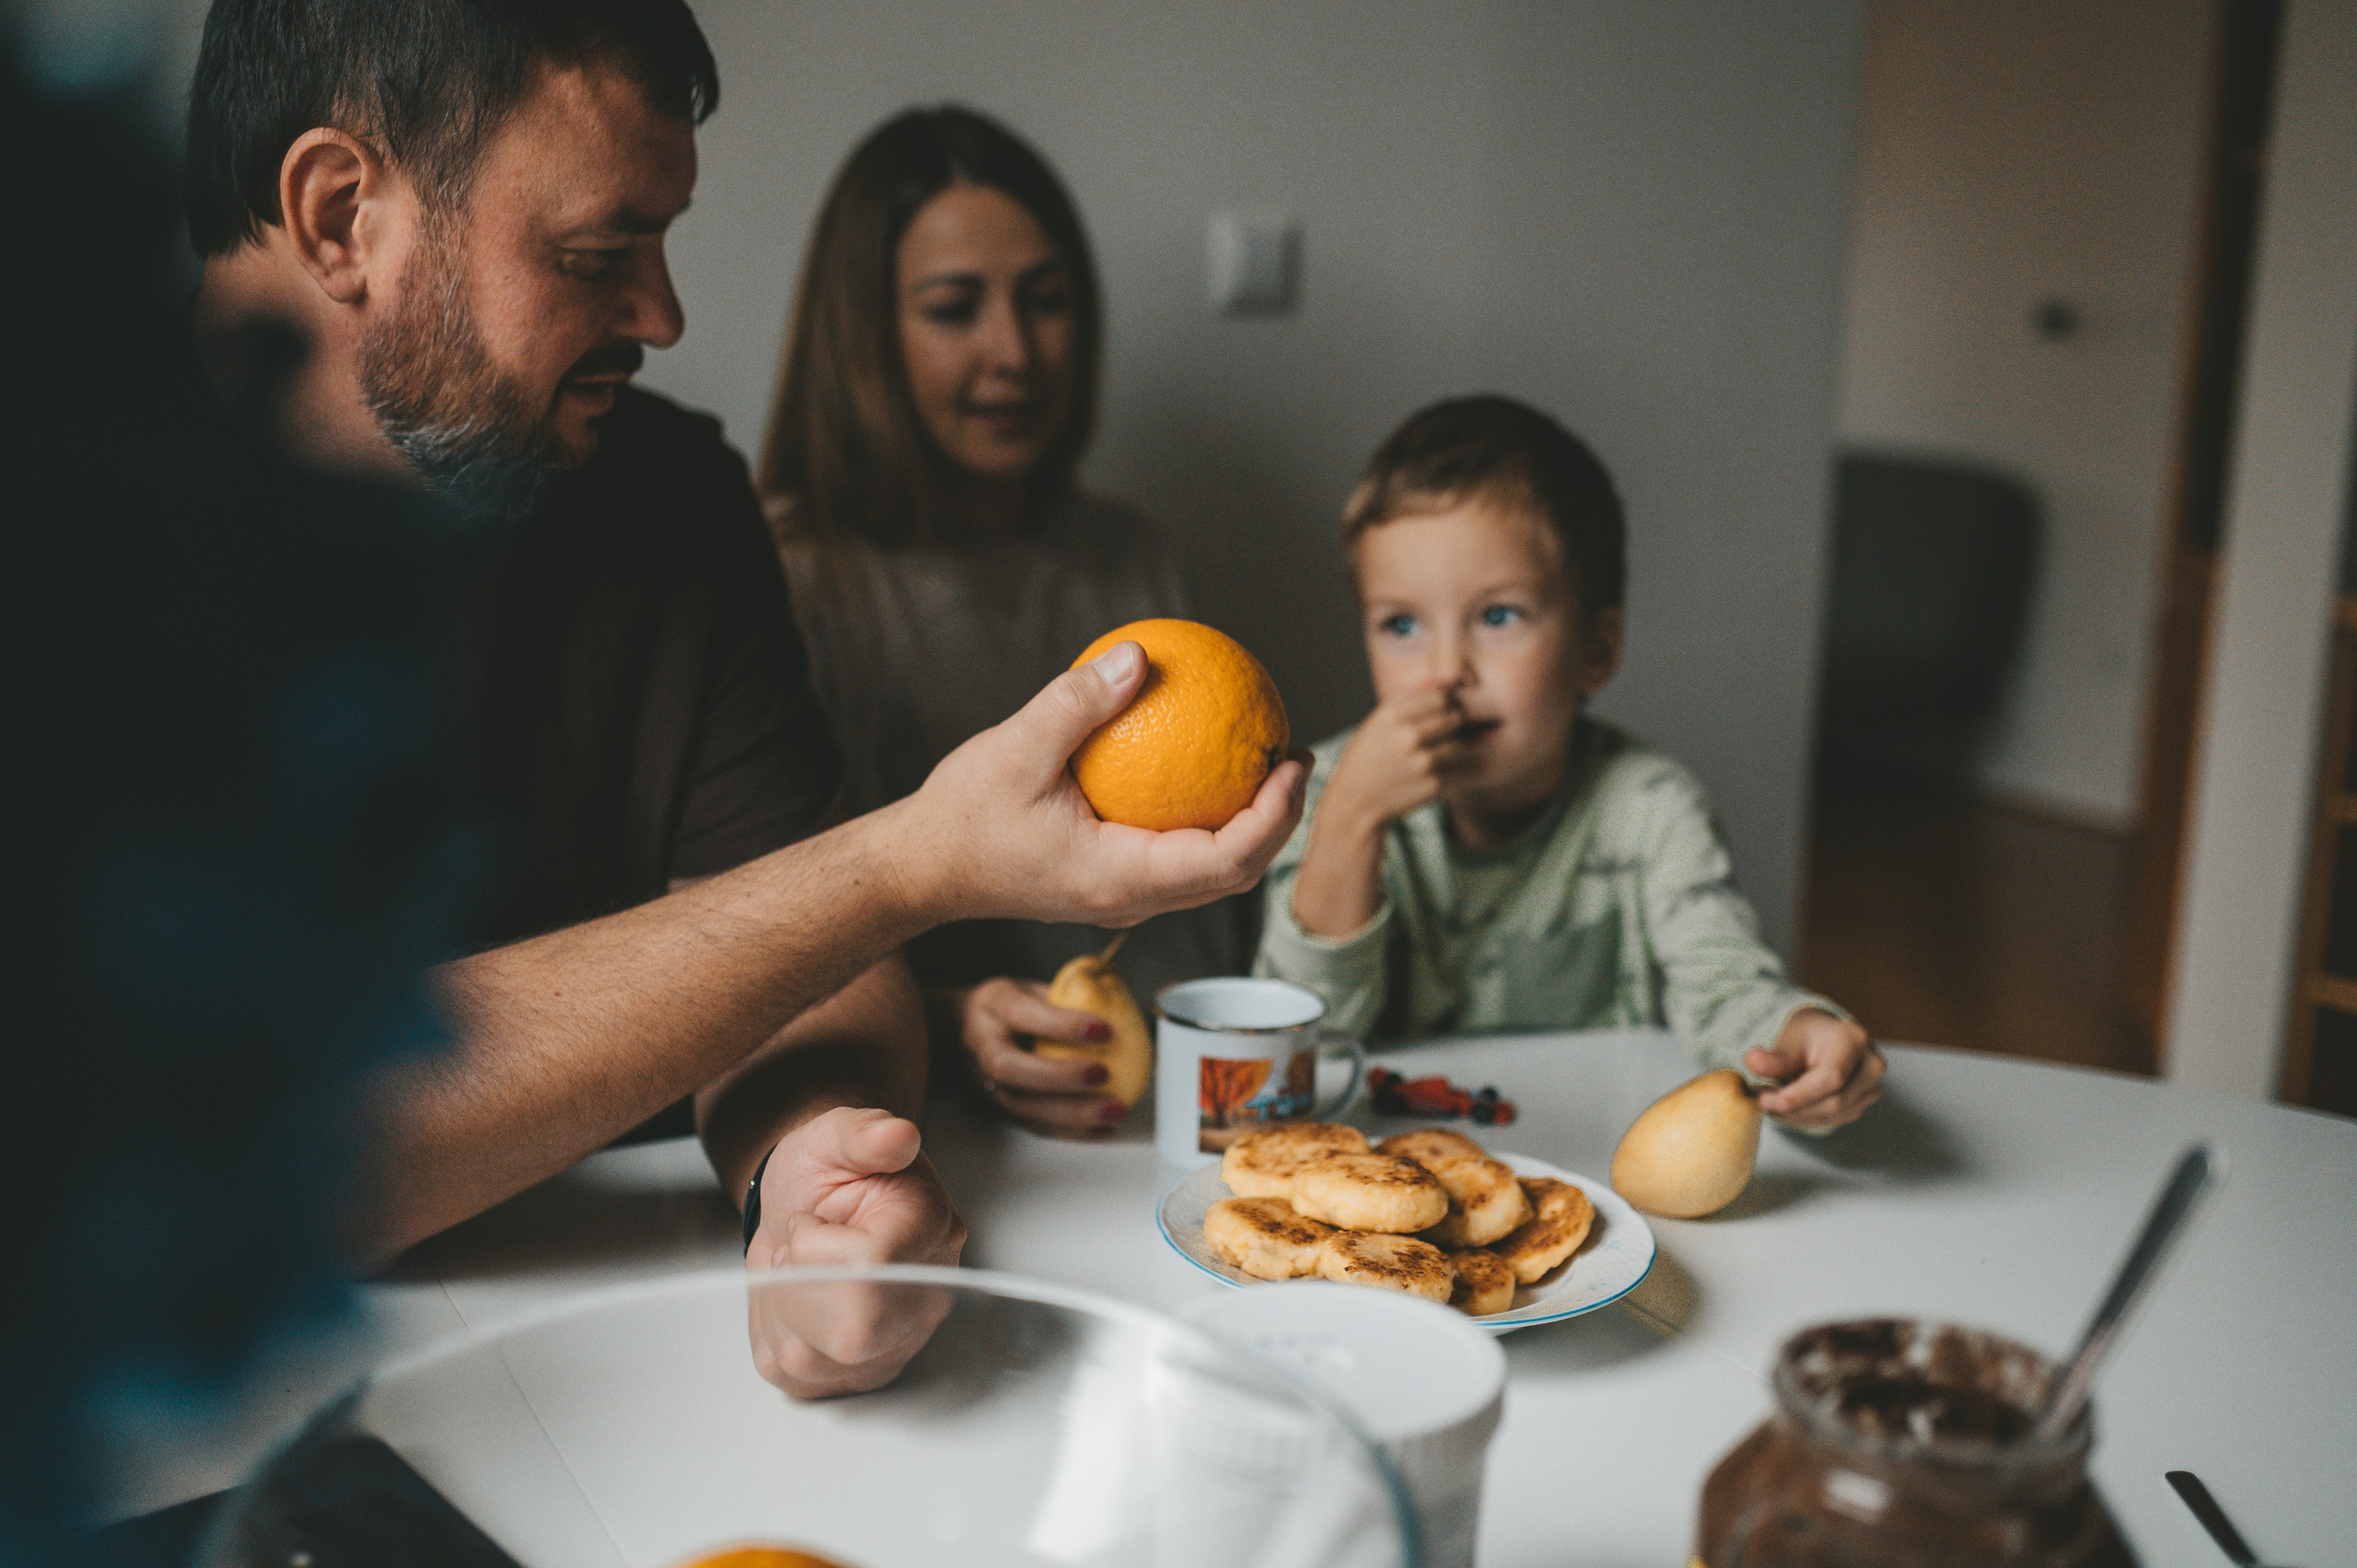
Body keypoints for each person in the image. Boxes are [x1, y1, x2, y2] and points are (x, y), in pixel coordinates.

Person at [180, 0, 1306, 1400]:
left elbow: (808, 953)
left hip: (627, 1369)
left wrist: (812, 1165)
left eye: (660, 241)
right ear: (342, 213)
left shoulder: (670, 498)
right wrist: (913, 858)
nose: (663, 313)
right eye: (599, 252)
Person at [758, 107, 1242, 1139]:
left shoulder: (1133, 555)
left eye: (1047, 300)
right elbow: (756, 939)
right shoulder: (790, 582)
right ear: (863, 336)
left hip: (1185, 1123)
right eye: (952, 308)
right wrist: (946, 1022)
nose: (1014, 350)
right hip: (933, 1139)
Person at [1255, 396, 1882, 1131]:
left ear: (1596, 648)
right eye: (1401, 624)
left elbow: (1723, 987)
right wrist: (1353, 821)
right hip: (1376, 1174)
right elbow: (1295, 1045)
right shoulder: (1327, 789)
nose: (1446, 669)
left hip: (1584, 1162)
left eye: (1498, 616)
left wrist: (1798, 1033)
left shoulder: (1648, 806)